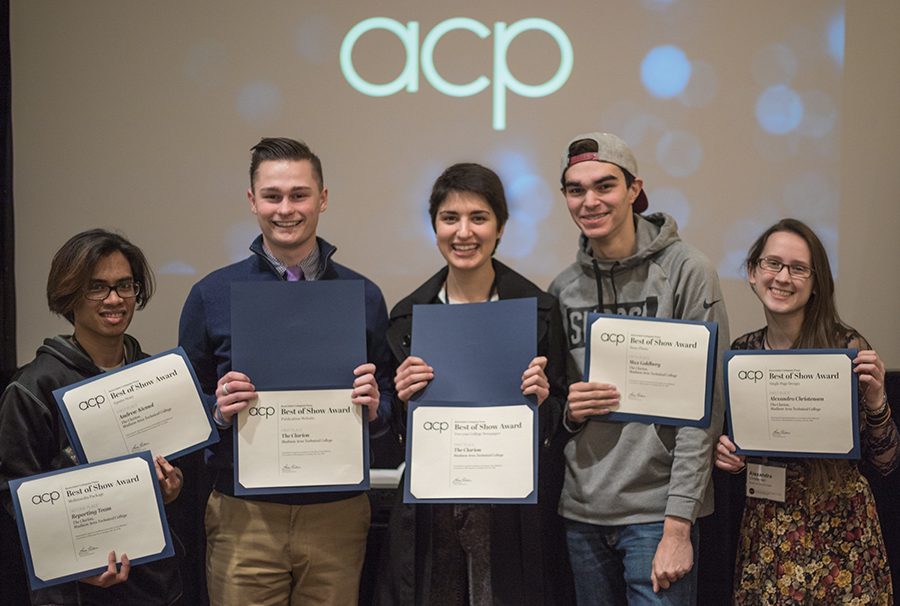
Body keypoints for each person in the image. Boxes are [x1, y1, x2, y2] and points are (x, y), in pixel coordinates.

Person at [178, 137, 394, 606]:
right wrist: (216, 411)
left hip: (337, 515)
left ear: (323, 198)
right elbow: (183, 409)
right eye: (272, 196)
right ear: (252, 200)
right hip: (243, 515)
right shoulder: (211, 294)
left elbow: (392, 402)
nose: (286, 209)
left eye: (299, 194)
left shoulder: (364, 295)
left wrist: (377, 409)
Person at [375, 162, 574, 605]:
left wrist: (543, 401)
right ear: (435, 227)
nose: (464, 232)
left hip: (512, 512)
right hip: (433, 507)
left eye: (478, 218)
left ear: (500, 227)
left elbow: (561, 415)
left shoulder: (538, 310)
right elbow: (394, 435)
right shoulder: (408, 317)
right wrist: (403, 399)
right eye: (450, 218)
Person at [550, 132, 729, 605]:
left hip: (656, 514)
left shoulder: (687, 271)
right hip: (583, 512)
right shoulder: (563, 288)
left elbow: (703, 408)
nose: (590, 201)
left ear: (634, 190)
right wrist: (569, 410)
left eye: (604, 186)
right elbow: (560, 405)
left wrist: (678, 524)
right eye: (575, 189)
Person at [714, 218, 898, 604]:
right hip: (768, 527)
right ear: (752, 272)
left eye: (798, 268)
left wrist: (877, 400)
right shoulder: (743, 353)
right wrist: (731, 456)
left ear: (816, 284)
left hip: (841, 531)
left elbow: (886, 462)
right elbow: (747, 446)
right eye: (772, 264)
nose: (783, 277)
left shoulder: (845, 348)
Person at [0, 229, 183, 606]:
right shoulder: (32, 387)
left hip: (154, 585)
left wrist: (172, 485)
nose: (114, 299)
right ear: (69, 294)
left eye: (125, 285)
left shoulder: (155, 376)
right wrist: (73, 563)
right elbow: (13, 495)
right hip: (73, 592)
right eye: (96, 287)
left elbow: (171, 469)